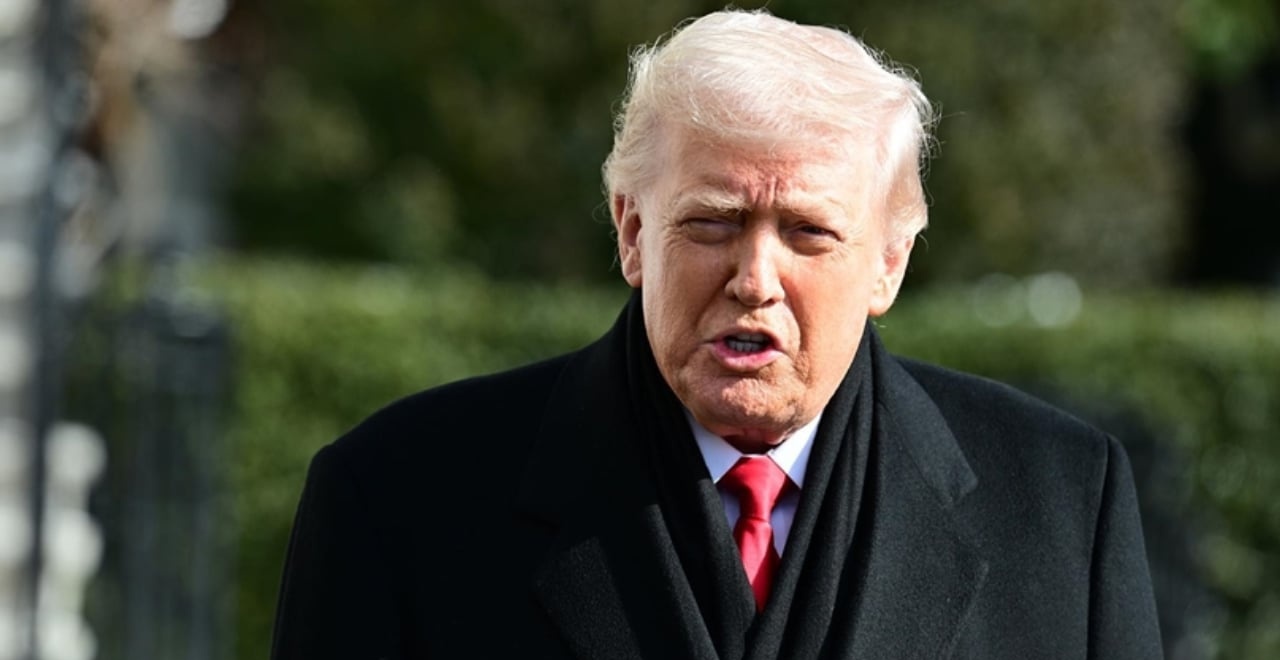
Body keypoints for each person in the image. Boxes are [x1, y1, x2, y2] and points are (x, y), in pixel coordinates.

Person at [271, 9, 1162, 659]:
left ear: (889, 263)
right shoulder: (398, 497)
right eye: (712, 223)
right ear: (631, 232)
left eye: (808, 232)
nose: (755, 279)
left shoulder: (1062, 503)